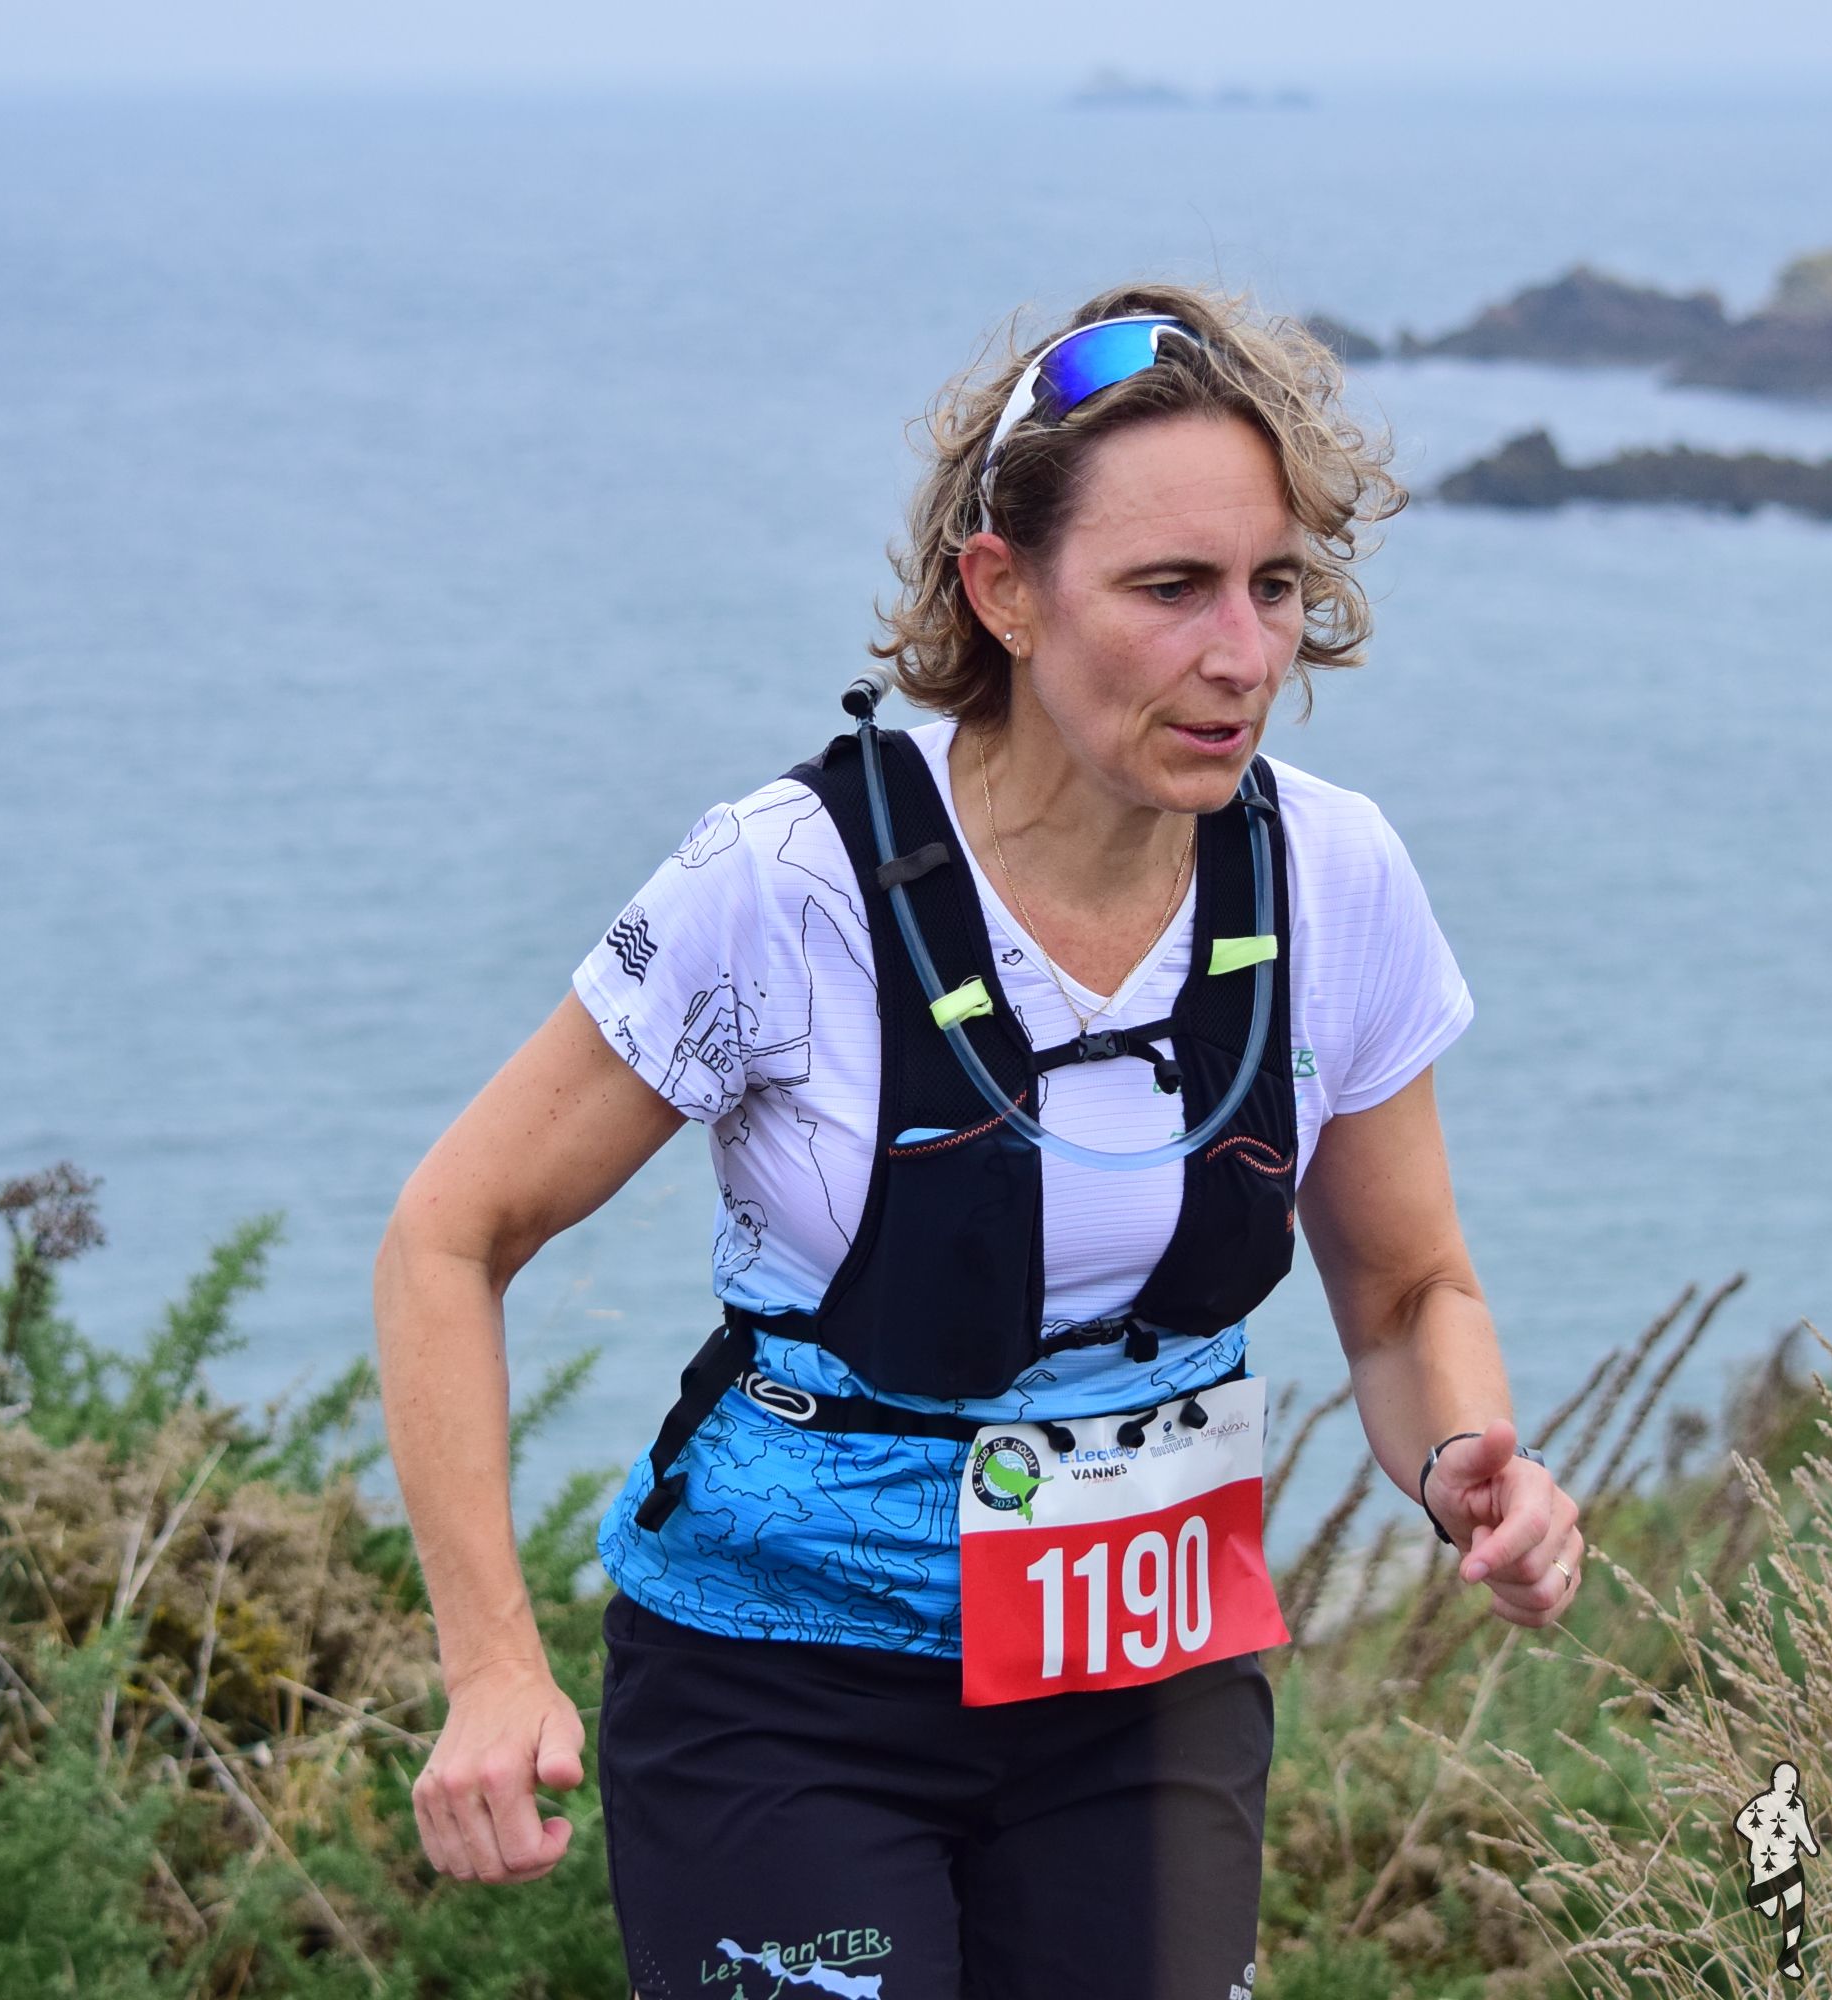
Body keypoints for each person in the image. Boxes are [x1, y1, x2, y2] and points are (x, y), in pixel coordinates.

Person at [371, 279, 1585, 1999]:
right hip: (783, 1688)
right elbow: (450, 1236)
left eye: (1274, 585)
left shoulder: (1335, 874)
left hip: (1147, 1685)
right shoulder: (782, 885)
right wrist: (492, 1665)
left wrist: (1473, 1462)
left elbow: (1404, 1299)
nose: (1243, 654)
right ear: (1001, 590)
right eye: (1168, 588)